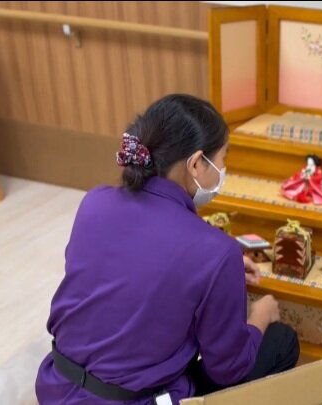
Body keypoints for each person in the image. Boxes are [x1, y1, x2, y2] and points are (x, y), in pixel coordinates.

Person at [35, 94, 299, 404]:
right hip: (131, 400)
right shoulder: (215, 252)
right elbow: (228, 367)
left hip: (56, 387)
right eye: (223, 158)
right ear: (196, 164)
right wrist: (260, 316)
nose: (223, 169)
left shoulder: (95, 201)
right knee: (281, 342)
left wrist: (218, 271)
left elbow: (128, 267)